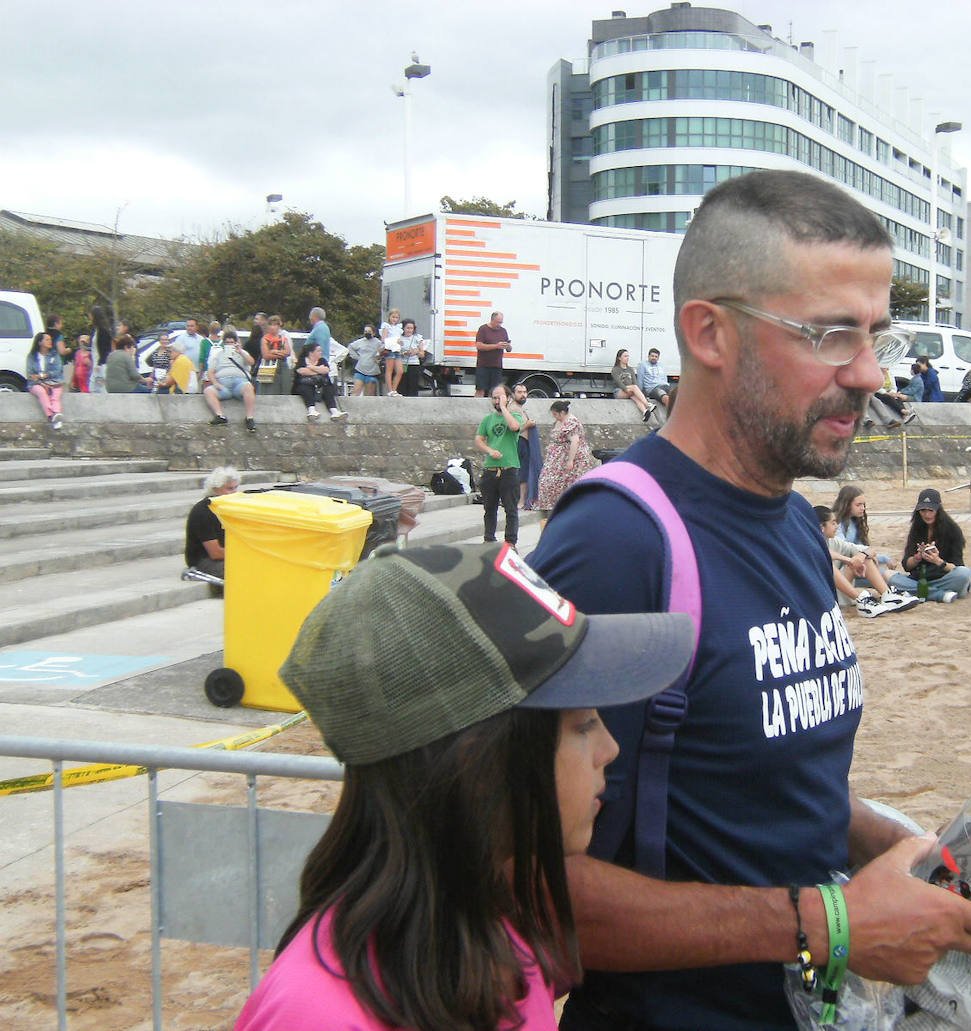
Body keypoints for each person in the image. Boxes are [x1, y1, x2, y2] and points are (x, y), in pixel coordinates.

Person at [530, 169, 971, 1031]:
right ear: (710, 333)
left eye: (875, 336)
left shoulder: (793, 522)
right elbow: (528, 885)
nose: (868, 374)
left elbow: (763, 788)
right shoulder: (618, 544)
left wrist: (904, 852)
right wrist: (828, 924)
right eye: (830, 335)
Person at [234, 542, 695, 1031]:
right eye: (582, 726)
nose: (610, 749)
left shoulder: (495, 940)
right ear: (480, 762)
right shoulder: (319, 1015)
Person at [814, 504, 915, 616]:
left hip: (841, 587)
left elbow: (868, 550)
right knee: (828, 565)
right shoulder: (806, 544)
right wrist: (849, 560)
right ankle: (860, 600)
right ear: (821, 527)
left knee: (863, 559)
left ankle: (887, 596)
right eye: (833, 523)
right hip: (821, 594)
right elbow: (821, 554)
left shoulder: (833, 541)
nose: (837, 526)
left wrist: (861, 556)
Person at [887, 488, 971, 603]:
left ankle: (920, 592)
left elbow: (957, 566)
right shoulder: (916, 529)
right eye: (923, 510)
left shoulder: (952, 530)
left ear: (938, 509)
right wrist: (917, 558)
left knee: (964, 573)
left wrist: (938, 561)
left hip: (945, 579)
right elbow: (906, 565)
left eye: (931, 510)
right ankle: (940, 595)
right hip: (920, 580)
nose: (927, 514)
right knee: (887, 575)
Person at [476, 384, 526, 546]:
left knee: (510, 509)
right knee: (489, 509)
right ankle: (488, 539)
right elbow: (479, 439)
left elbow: (514, 427)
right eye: (494, 398)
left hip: (509, 469)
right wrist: (489, 450)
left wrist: (505, 408)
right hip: (490, 469)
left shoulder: (515, 415)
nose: (497, 401)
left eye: (500, 397)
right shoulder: (487, 419)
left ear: (508, 398)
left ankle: (510, 543)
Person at [536, 400, 599, 511]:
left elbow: (575, 441)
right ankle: (553, 505)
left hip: (572, 457)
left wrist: (570, 460)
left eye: (555, 414)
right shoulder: (559, 421)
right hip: (557, 458)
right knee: (547, 480)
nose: (554, 416)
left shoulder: (571, 423)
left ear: (562, 413)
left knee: (566, 481)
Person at [185, 466, 240, 581]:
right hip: (204, 560)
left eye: (236, 488)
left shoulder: (229, 508)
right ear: (215, 489)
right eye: (229, 489)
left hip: (227, 555)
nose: (234, 492)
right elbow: (215, 553)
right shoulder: (203, 511)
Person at [203, 330, 258, 430]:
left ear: (236, 342)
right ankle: (220, 416)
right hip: (223, 383)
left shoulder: (242, 352)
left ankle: (249, 417)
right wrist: (215, 383)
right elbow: (210, 372)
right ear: (224, 343)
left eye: (231, 342)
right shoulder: (218, 354)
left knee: (248, 387)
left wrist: (240, 352)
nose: (229, 344)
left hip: (239, 382)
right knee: (208, 391)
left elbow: (251, 362)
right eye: (227, 342)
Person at [293, 340, 347, 422]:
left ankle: (334, 411)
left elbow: (325, 370)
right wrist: (318, 370)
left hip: (321, 384)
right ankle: (311, 410)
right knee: (306, 388)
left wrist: (310, 367)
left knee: (328, 388)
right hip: (306, 385)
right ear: (311, 352)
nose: (320, 352)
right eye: (318, 351)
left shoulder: (322, 360)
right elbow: (302, 371)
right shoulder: (302, 360)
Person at [510, 382, 541, 510]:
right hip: (519, 443)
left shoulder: (520, 408)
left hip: (525, 443)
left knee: (524, 472)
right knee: (522, 473)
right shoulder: (512, 409)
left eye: (524, 392)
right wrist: (528, 425)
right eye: (519, 392)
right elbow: (514, 430)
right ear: (513, 394)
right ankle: (521, 500)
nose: (523, 395)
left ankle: (523, 499)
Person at [26, 331, 64, 429]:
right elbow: (30, 375)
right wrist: (41, 382)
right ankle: (52, 416)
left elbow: (57, 371)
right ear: (40, 342)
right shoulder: (32, 357)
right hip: (36, 384)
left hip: (54, 381)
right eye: (47, 340)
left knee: (55, 395)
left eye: (50, 340)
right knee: (42, 392)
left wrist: (41, 376)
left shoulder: (55, 355)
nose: (50, 342)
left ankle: (56, 414)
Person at [611, 348, 656, 421]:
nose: (627, 358)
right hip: (619, 391)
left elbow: (634, 382)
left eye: (628, 356)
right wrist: (626, 390)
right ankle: (647, 404)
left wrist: (632, 390)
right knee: (634, 389)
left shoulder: (630, 369)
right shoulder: (615, 370)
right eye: (625, 356)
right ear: (619, 358)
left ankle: (645, 412)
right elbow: (619, 383)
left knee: (635, 395)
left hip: (630, 390)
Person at [475, 311, 512, 398]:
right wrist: (496, 346)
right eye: (497, 322)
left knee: (495, 391)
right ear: (492, 320)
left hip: (497, 366)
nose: (499, 324)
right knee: (480, 389)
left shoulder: (503, 331)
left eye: (501, 322)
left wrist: (507, 346)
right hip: (483, 365)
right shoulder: (483, 329)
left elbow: (509, 349)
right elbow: (479, 346)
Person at [257, 315, 292, 395]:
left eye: (275, 325)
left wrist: (275, 352)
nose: (273, 327)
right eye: (270, 325)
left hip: (283, 365)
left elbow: (288, 352)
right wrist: (280, 354)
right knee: (270, 389)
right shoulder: (265, 339)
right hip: (269, 366)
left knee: (285, 387)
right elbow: (266, 355)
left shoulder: (283, 338)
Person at [348, 325, 383, 396]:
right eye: (365, 331)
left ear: (374, 333)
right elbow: (350, 347)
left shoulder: (378, 343)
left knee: (369, 394)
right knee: (356, 391)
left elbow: (383, 351)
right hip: (360, 369)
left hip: (372, 371)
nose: (367, 333)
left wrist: (379, 358)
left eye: (369, 331)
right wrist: (356, 357)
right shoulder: (360, 341)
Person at [380, 308, 405, 396]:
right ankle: (390, 390)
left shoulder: (398, 328)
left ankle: (394, 389)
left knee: (400, 371)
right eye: (393, 317)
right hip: (390, 350)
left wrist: (400, 342)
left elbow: (399, 338)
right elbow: (384, 339)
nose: (395, 319)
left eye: (397, 318)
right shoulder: (386, 326)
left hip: (397, 350)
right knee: (389, 370)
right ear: (389, 317)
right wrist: (395, 341)